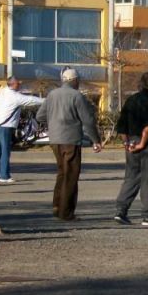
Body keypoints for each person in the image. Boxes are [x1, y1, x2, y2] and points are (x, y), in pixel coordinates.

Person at [36, 68, 102, 221]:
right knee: (71, 175)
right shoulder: (77, 96)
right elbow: (87, 120)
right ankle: (66, 213)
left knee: (62, 173)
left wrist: (53, 122)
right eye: (78, 80)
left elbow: (40, 116)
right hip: (70, 139)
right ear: (74, 80)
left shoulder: (52, 94)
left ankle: (57, 206)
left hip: (55, 139)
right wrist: (96, 140)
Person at [113, 72, 148, 226]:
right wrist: (143, 143)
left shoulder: (131, 100)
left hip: (130, 142)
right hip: (147, 144)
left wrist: (127, 143)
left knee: (131, 177)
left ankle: (121, 211)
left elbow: (121, 126)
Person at [0, 76, 44, 183]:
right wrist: (47, 100)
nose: (20, 84)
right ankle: (4, 176)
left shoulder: (2, 91)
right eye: (18, 83)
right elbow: (31, 100)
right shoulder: (15, 96)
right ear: (13, 84)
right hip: (5, 126)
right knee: (5, 151)